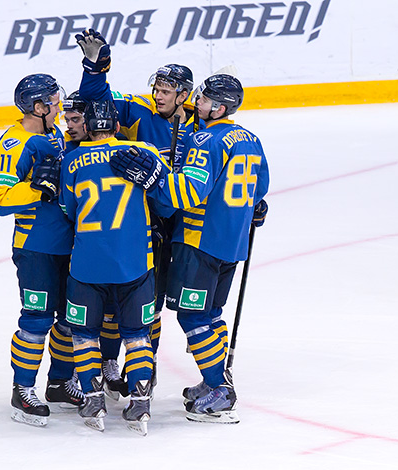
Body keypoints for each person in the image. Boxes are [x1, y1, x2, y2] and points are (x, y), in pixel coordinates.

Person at [110, 74, 270, 424]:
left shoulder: (204, 139)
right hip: (233, 242)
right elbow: (260, 190)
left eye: (205, 99)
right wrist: (252, 208)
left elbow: (188, 192)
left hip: (199, 241)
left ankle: (220, 389)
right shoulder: (251, 138)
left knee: (192, 316)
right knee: (211, 313)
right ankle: (213, 380)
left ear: (220, 108)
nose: (198, 102)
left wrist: (153, 182)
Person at [76, 29, 200, 395]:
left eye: (166, 92)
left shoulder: (201, 125)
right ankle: (109, 360)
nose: (158, 96)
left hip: (180, 224)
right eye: (157, 89)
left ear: (183, 95)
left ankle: (146, 363)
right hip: (139, 221)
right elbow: (96, 101)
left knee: (154, 304)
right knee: (122, 299)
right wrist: (95, 69)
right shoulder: (139, 109)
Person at [59, 100, 167, 436]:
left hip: (87, 264)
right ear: (118, 127)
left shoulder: (72, 160)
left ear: (87, 128)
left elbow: (68, 208)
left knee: (84, 334)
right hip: (136, 262)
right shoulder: (144, 151)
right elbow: (164, 201)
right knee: (137, 335)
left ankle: (93, 401)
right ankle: (140, 402)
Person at [0, 73, 82, 427]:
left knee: (70, 318)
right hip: (36, 247)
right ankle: (23, 389)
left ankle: (59, 384)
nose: (60, 108)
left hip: (69, 244)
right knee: (37, 319)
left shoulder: (55, 134)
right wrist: (37, 189)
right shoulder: (14, 144)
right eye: (55, 103)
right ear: (38, 107)